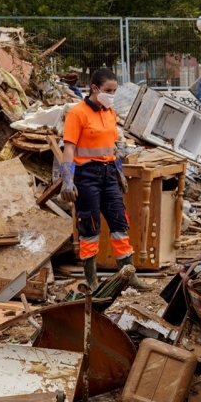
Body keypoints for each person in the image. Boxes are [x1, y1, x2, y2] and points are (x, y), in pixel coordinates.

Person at [59, 68, 148, 290]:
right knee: (90, 227)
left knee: (120, 223)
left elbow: (112, 147)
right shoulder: (77, 114)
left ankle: (128, 275)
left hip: (109, 173)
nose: (112, 95)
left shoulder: (110, 113)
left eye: (115, 90)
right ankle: (91, 280)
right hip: (86, 176)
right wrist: (67, 180)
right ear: (95, 89)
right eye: (108, 90)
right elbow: (68, 148)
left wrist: (119, 172)